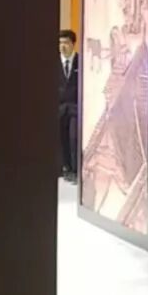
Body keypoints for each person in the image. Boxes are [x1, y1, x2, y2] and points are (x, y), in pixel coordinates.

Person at [58, 29, 79, 183]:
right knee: (61, 139)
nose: (62, 46)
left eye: (65, 43)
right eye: (60, 43)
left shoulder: (80, 61)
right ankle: (66, 168)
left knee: (74, 138)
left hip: (75, 108)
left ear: (73, 44)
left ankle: (75, 169)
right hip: (59, 109)